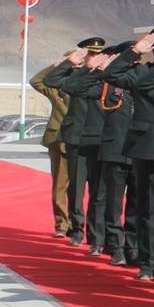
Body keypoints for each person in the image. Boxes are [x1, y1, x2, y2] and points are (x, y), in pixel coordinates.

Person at [103, 27, 154, 278]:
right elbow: (111, 73)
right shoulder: (141, 72)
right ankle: (146, 262)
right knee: (147, 209)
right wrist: (135, 51)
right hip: (147, 148)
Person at [44, 36, 107, 248]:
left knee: (98, 191)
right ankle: (76, 228)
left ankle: (96, 233)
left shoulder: (105, 75)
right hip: (77, 138)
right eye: (90, 54)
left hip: (98, 138)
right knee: (76, 188)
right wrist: (71, 63)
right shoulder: (74, 76)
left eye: (98, 54)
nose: (94, 58)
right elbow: (51, 81)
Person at [94, 42, 137, 264]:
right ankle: (115, 246)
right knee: (113, 203)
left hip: (138, 151)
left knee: (136, 204)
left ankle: (133, 248)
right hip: (115, 149)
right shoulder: (109, 82)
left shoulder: (142, 79)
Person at [30, 63, 72, 238]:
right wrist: (57, 65)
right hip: (59, 139)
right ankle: (62, 223)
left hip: (84, 139)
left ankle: (80, 222)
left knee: (81, 187)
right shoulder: (56, 87)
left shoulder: (88, 83)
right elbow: (36, 81)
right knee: (60, 185)